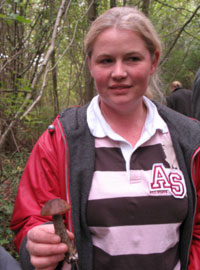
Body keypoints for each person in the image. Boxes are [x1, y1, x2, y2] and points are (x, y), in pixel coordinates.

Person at [10, 6, 200, 270]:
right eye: (106, 60)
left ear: (153, 61)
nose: (119, 72)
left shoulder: (190, 139)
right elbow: (29, 219)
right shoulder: (61, 139)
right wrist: (35, 240)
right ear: (90, 64)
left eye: (133, 58)